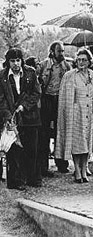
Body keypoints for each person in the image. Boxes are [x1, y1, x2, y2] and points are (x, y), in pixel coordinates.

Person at [55, 48, 93, 183]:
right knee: (77, 143)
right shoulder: (69, 75)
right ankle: (77, 170)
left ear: (90, 61)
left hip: (89, 112)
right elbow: (64, 98)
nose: (81, 62)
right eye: (79, 60)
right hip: (75, 113)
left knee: (87, 142)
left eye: (84, 60)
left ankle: (84, 169)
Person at [0, 48, 41, 190]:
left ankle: (32, 178)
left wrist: (24, 106)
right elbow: (1, 99)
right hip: (11, 118)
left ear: (22, 61)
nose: (16, 64)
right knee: (14, 151)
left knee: (32, 148)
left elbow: (36, 93)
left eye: (18, 60)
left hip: (30, 117)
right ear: (8, 61)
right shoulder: (2, 76)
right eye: (12, 61)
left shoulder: (31, 72)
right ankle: (16, 181)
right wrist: (7, 115)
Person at [37, 41, 72, 175]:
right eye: (59, 51)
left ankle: (62, 164)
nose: (62, 54)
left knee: (61, 132)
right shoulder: (44, 65)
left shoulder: (67, 66)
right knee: (44, 134)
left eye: (63, 51)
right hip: (46, 100)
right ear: (52, 52)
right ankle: (42, 166)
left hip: (60, 100)